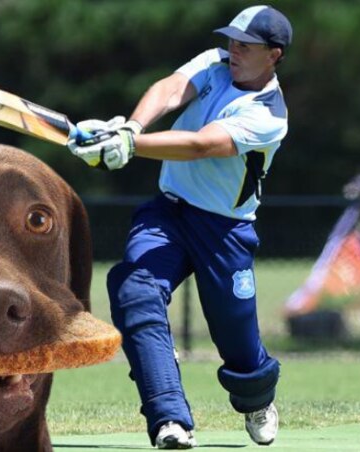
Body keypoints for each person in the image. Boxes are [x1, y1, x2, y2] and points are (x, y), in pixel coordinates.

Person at [68, 5, 292, 449]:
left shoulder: (269, 114)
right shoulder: (214, 63)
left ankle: (257, 399)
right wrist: (130, 126)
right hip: (168, 214)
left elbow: (201, 144)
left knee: (239, 346)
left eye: (246, 46)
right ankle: (169, 419)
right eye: (232, 40)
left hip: (224, 233)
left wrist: (131, 145)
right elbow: (170, 90)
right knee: (134, 288)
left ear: (275, 54)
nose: (235, 50)